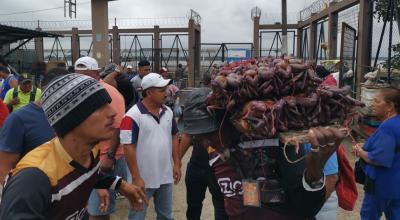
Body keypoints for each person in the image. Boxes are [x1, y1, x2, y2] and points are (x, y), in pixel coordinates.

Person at [0, 73, 148, 219]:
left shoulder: (90, 151)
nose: (113, 112)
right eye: (98, 107)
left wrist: (120, 184)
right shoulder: (33, 180)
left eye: (108, 104)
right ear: (71, 119)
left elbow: (89, 171)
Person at [181, 91, 345, 219]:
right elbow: (223, 204)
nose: (204, 142)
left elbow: (305, 209)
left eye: (208, 133)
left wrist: (314, 173)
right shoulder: (214, 153)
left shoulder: (274, 144)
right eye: (198, 137)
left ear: (227, 120)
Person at [121, 72, 181, 220]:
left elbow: (174, 136)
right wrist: (136, 177)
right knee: (137, 216)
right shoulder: (131, 116)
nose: (166, 93)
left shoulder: (168, 112)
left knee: (166, 215)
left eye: (166, 89)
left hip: (165, 176)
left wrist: (177, 164)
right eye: (161, 90)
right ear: (149, 93)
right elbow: (128, 147)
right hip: (142, 180)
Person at [74, 57, 129, 220]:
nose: (80, 78)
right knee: (92, 207)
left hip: (104, 159)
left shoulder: (109, 92)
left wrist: (109, 157)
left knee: (98, 210)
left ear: (97, 73)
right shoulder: (81, 93)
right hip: (86, 159)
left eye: (85, 74)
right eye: (78, 75)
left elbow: (119, 126)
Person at [0, 69, 65, 186]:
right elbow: (4, 167)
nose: (27, 86)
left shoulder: (38, 92)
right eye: (24, 83)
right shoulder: (13, 101)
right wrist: (11, 102)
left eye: (29, 83)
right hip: (30, 186)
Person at [179, 86, 228, 220]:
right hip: (197, 165)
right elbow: (187, 135)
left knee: (221, 207)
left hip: (218, 168)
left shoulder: (222, 119)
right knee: (193, 207)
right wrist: (177, 162)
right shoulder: (195, 121)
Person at [352, 87, 400, 220]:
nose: (373, 104)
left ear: (390, 106)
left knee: (369, 216)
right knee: (395, 215)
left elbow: (378, 159)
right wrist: (366, 146)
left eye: (377, 101)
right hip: (396, 184)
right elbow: (392, 148)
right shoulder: (396, 122)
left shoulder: (388, 127)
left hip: (381, 183)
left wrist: (360, 151)